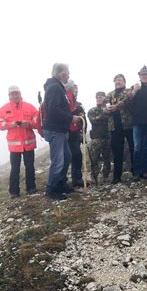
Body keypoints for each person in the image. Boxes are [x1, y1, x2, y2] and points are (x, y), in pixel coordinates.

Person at [43, 63, 82, 200]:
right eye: (68, 72)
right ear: (62, 73)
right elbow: (53, 110)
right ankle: (51, 189)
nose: (69, 75)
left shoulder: (57, 87)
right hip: (55, 130)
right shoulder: (55, 88)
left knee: (66, 157)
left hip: (59, 129)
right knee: (58, 160)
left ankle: (60, 183)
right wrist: (71, 117)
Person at [0, 86, 39, 198]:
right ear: (9, 95)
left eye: (16, 93)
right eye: (12, 94)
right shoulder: (3, 109)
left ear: (20, 94)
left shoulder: (29, 107)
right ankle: (14, 192)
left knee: (30, 166)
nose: (15, 96)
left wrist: (28, 123)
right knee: (15, 168)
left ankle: (31, 188)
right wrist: (10, 125)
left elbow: (38, 120)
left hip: (28, 143)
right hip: (14, 146)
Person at [105, 74, 134, 184]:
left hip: (128, 125)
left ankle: (135, 171)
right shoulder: (109, 94)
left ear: (124, 82)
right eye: (116, 80)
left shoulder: (128, 92)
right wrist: (106, 110)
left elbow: (128, 100)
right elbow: (105, 106)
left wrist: (116, 106)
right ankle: (117, 176)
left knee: (132, 148)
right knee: (117, 152)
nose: (118, 82)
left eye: (120, 80)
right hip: (114, 127)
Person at [65, 80, 86, 188]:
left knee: (76, 155)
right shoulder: (66, 100)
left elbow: (83, 120)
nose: (76, 90)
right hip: (67, 132)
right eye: (74, 88)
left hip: (75, 132)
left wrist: (83, 132)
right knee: (70, 156)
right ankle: (73, 179)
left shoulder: (76, 103)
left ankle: (76, 179)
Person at [88, 91, 111, 183]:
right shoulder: (92, 110)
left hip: (107, 136)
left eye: (101, 97)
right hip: (96, 138)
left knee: (107, 158)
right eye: (97, 97)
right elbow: (93, 120)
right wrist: (103, 113)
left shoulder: (110, 109)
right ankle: (94, 177)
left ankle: (106, 176)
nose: (98, 99)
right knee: (94, 158)